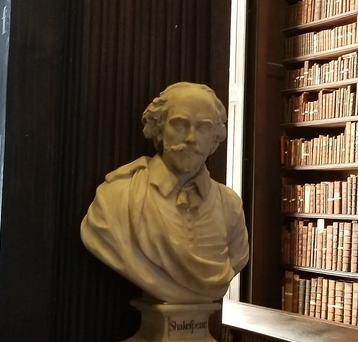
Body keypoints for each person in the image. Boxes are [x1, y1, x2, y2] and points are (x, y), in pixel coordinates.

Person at [80, 82, 249, 303]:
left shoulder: (230, 206)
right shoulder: (117, 197)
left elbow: (237, 257)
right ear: (159, 130)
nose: (191, 138)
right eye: (179, 125)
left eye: (203, 127)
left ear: (214, 138)